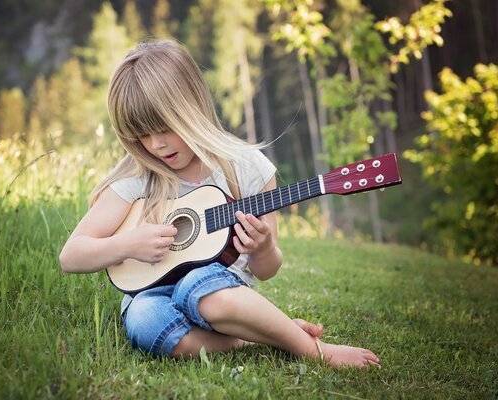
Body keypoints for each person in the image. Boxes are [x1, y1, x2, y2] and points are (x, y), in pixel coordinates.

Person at [59, 40, 381, 368]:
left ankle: (314, 349)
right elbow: (71, 256)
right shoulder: (138, 177)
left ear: (191, 107)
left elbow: (266, 271)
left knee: (200, 287)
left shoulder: (246, 167)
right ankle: (255, 336)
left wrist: (263, 248)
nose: (156, 145)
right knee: (143, 321)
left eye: (164, 128)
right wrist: (126, 244)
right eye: (142, 135)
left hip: (220, 290)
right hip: (152, 291)